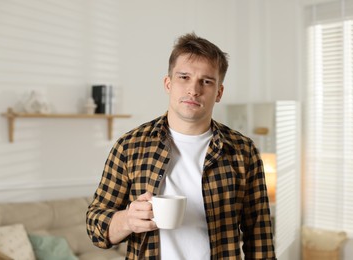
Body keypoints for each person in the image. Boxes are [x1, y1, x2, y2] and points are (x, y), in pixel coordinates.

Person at [86, 32, 276, 259]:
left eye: (206, 81)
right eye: (184, 77)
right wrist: (127, 220)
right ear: (168, 83)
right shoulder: (130, 146)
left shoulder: (243, 151)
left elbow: (260, 238)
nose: (193, 90)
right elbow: (95, 227)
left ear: (219, 93)